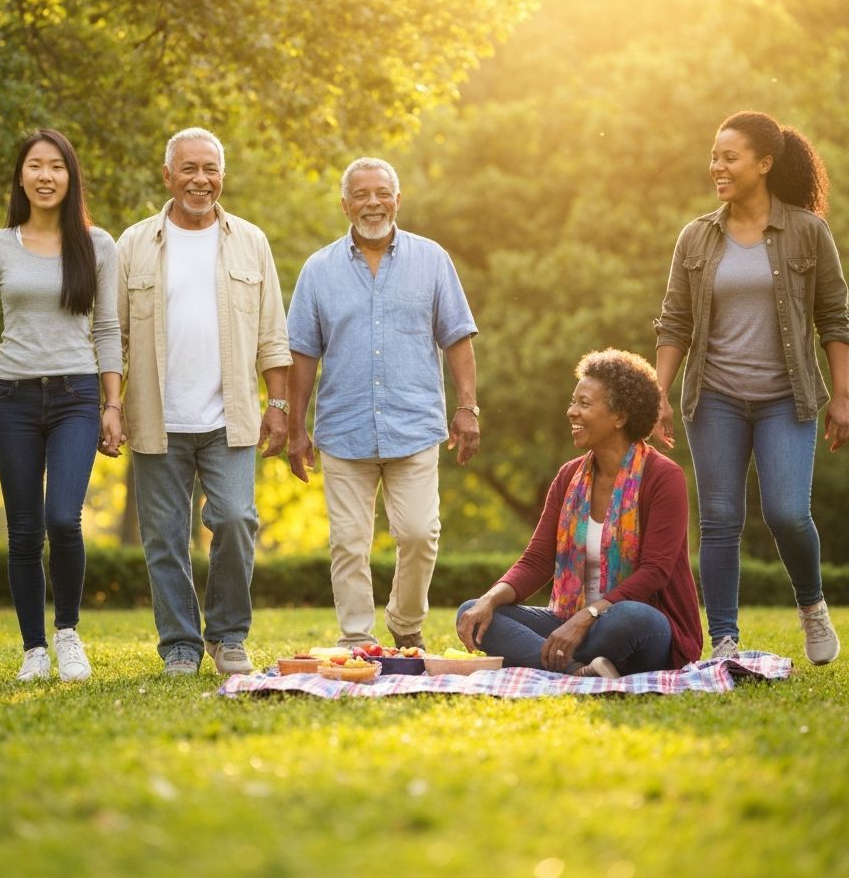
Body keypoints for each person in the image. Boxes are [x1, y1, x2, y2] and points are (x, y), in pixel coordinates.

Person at [655, 111, 846, 665]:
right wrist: (659, 393)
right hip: (713, 397)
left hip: (786, 398)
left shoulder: (808, 231)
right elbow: (674, 321)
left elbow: (836, 316)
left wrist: (843, 393)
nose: (717, 166)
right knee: (718, 519)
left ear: (764, 163)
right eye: (714, 156)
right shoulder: (696, 237)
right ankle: (725, 642)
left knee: (787, 511)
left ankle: (811, 607)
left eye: (729, 157)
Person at [0, 129, 122, 682]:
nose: (46, 176)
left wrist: (113, 404)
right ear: (21, 175)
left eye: (56, 166)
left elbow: (108, 328)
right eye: (35, 166)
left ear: (71, 176)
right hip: (13, 398)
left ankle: (67, 633)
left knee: (63, 517)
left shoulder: (99, 245)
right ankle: (33, 648)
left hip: (77, 397)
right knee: (22, 531)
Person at [116, 127, 291, 677]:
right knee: (164, 538)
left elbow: (272, 333)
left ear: (222, 176)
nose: (200, 179)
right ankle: (180, 645)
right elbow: (113, 336)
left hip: (229, 417)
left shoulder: (250, 241)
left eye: (210, 169)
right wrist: (111, 406)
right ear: (167, 175)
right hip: (156, 417)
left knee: (237, 520)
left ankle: (229, 634)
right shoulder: (134, 243)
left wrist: (279, 405)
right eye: (188, 168)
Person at [287, 156, 480, 650]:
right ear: (345, 204)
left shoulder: (432, 259)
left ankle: (405, 618)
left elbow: (457, 337)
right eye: (361, 194)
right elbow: (303, 354)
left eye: (382, 193)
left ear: (397, 199)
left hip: (414, 425)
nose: (373, 203)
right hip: (343, 429)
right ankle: (356, 639)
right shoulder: (318, 269)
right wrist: (295, 427)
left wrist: (468, 408)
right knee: (348, 544)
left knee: (419, 533)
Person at [457, 350, 702, 677]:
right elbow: (536, 560)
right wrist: (489, 599)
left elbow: (654, 571)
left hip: (639, 625)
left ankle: (552, 658)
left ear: (620, 416)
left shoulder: (663, 477)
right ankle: (578, 671)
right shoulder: (568, 477)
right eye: (573, 402)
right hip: (568, 619)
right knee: (472, 612)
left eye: (584, 404)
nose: (571, 411)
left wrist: (588, 616)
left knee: (632, 618)